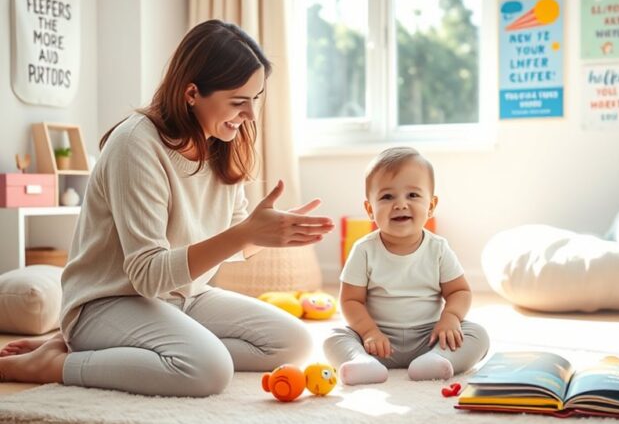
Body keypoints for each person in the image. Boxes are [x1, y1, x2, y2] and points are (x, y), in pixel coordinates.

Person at [0, 20, 334, 397]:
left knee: (294, 343)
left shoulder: (221, 142)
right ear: (192, 93)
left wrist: (270, 232)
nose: (251, 115)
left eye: (255, 99)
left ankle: (123, 351)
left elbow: (233, 238)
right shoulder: (135, 144)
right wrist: (244, 234)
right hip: (108, 302)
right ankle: (54, 364)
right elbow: (148, 275)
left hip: (184, 298)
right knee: (208, 370)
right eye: (239, 101)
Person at [323, 147, 490, 385]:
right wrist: (369, 332)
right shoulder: (364, 250)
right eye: (387, 197)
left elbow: (459, 291)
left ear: (431, 206)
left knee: (477, 335)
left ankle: (437, 361)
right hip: (378, 342)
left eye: (412, 195)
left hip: (429, 338)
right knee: (333, 337)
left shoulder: (438, 248)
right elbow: (351, 300)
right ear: (370, 209)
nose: (400, 204)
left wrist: (450, 318)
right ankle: (362, 362)